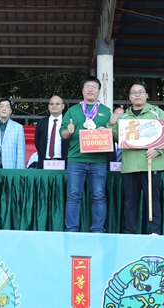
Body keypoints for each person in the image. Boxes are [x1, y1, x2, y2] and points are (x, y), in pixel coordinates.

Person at [110, 82, 164, 235]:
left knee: (152, 199)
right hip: (130, 165)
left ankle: (154, 231)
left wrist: (158, 150)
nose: (137, 95)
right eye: (133, 92)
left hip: (151, 164)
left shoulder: (157, 113)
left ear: (147, 95)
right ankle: (130, 231)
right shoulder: (124, 117)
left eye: (140, 92)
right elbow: (115, 137)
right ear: (129, 96)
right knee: (130, 201)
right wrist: (110, 125)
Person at [60, 76, 112, 233]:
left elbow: (115, 136)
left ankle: (98, 230)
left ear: (99, 91)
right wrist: (68, 131)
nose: (90, 89)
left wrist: (109, 129)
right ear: (82, 90)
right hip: (76, 160)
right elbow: (63, 134)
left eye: (94, 87)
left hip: (98, 161)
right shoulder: (72, 110)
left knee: (99, 196)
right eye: (87, 86)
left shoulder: (107, 111)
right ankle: (71, 230)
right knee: (73, 196)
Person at [34, 95, 68, 168]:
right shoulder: (41, 123)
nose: (54, 106)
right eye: (51, 104)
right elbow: (37, 142)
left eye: (57, 104)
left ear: (63, 106)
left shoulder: (68, 123)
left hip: (64, 161)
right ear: (48, 106)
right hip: (44, 161)